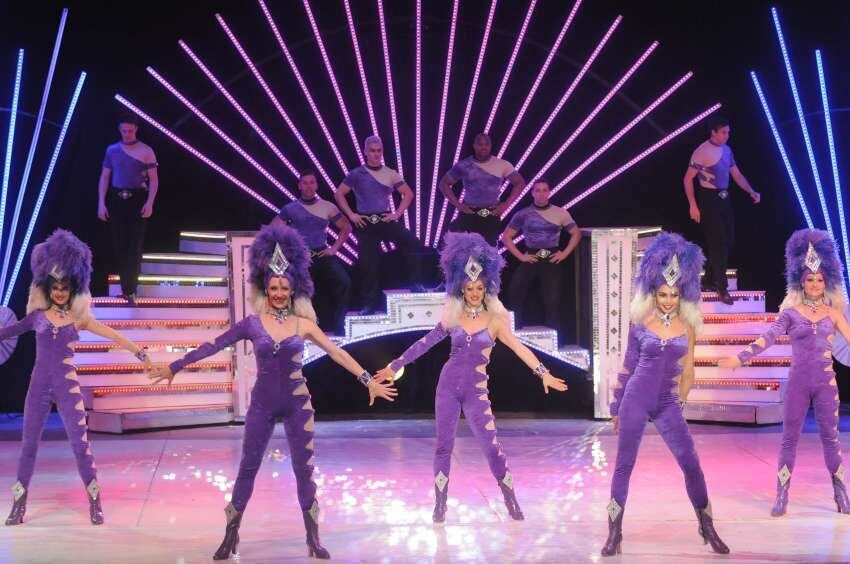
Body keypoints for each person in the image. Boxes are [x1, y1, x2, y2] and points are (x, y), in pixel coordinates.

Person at [149, 224, 397, 560]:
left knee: (304, 470)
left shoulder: (303, 324)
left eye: (284, 288)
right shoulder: (252, 324)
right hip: (262, 404)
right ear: (265, 288)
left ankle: (313, 537)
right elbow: (214, 345)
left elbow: (337, 353)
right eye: (274, 287)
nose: (279, 293)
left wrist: (368, 380)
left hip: (298, 404)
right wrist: (175, 366)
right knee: (248, 467)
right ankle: (231, 534)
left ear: (294, 290)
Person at [375, 232, 567, 523]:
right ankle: (440, 504)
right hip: (447, 388)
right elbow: (424, 343)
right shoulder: (452, 318)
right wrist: (394, 365)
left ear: (486, 288)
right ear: (461, 289)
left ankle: (510, 499)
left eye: (479, 288)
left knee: (491, 446)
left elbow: (519, 348)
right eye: (469, 288)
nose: (475, 293)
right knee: (444, 446)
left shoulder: (496, 321)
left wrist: (544, 373)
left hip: (476, 390)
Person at [0, 230, 153, 526]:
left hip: (68, 387)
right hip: (37, 388)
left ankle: (95, 501)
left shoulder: (79, 319)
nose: (59, 292)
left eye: (65, 287)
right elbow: (6, 332)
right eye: (55, 287)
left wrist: (140, 353)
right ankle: (18, 504)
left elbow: (113, 335)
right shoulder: (37, 317)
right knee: (28, 446)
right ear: (48, 288)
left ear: (73, 289)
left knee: (80, 446)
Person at [603, 232, 728, 556]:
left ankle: (707, 527)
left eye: (673, 294)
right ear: (653, 292)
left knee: (691, 462)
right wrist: (616, 409)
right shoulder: (640, 323)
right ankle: (614, 532)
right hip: (635, 400)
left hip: (668, 403)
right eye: (662, 294)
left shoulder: (688, 326)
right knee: (624, 465)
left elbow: (688, 370)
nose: (668, 300)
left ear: (682, 293)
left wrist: (681, 403)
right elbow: (628, 367)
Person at [719, 229, 850, 517]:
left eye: (819, 279)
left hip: (826, 384)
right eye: (809, 279)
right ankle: (782, 494)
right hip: (797, 384)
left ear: (825, 281)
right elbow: (767, 338)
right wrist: (740, 358)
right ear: (801, 282)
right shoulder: (790, 313)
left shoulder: (834, 314)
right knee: (789, 439)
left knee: (831, 438)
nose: (814, 284)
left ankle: (840, 492)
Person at [334, 136, 424, 315]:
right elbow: (339, 194)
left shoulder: (390, 173)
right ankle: (369, 304)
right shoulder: (356, 173)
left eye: (379, 151)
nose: (376, 154)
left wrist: (397, 214)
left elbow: (408, 194)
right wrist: (351, 215)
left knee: (412, 241)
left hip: (384, 219)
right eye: (372, 151)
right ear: (365, 152)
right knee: (368, 264)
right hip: (365, 222)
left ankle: (416, 283)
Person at [683, 116, 760, 306]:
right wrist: (693, 205)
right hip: (708, 200)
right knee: (717, 244)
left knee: (728, 241)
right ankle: (721, 287)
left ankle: (709, 279)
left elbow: (737, 175)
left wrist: (751, 191)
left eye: (728, 132)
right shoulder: (701, 151)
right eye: (724, 132)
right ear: (713, 132)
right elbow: (687, 179)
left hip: (725, 198)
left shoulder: (727, 150)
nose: (727, 135)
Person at [272, 170, 352, 334]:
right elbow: (273, 231)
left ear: (316, 185)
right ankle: (300, 329)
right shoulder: (290, 209)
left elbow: (346, 227)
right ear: (299, 186)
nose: (308, 186)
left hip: (322, 253)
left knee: (343, 282)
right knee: (300, 292)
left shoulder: (327, 206)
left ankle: (339, 325)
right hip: (301, 257)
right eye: (305, 183)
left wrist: (334, 249)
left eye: (312, 182)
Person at [502, 178, 581, 332]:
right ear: (532, 193)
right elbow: (506, 237)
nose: (541, 193)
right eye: (537, 190)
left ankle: (554, 335)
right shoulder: (523, 214)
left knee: (552, 300)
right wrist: (521, 256)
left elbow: (576, 234)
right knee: (514, 292)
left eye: (544, 190)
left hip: (552, 258)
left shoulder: (560, 212)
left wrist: (564, 254)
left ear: (549, 192)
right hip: (531, 257)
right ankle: (514, 332)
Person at [97, 113, 159, 305]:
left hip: (137, 200)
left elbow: (154, 179)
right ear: (119, 130)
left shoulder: (146, 151)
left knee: (134, 246)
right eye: (124, 131)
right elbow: (105, 177)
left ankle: (131, 290)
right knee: (119, 245)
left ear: (136, 129)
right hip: (117, 199)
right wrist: (101, 203)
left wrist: (150, 202)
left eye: (130, 131)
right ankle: (126, 290)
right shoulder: (112, 150)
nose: (127, 134)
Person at [440, 133, 525, 246]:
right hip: (469, 212)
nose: (483, 147)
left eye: (486, 144)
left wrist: (505, 205)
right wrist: (458, 205)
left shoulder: (502, 164)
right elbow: (444, 184)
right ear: (474, 146)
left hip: (492, 213)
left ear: (490, 146)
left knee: (488, 250)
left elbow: (520, 183)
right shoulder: (464, 165)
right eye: (480, 144)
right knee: (466, 249)